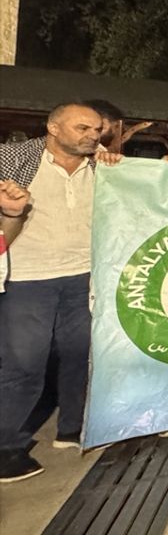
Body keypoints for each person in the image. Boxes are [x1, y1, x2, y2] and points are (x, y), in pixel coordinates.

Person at [0, 103, 124, 482]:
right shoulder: (12, 160)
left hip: (83, 276)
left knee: (79, 355)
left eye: (97, 130)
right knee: (24, 365)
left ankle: (72, 428)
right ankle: (6, 446)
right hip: (26, 278)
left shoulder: (104, 167)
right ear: (53, 127)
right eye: (82, 128)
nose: (93, 135)